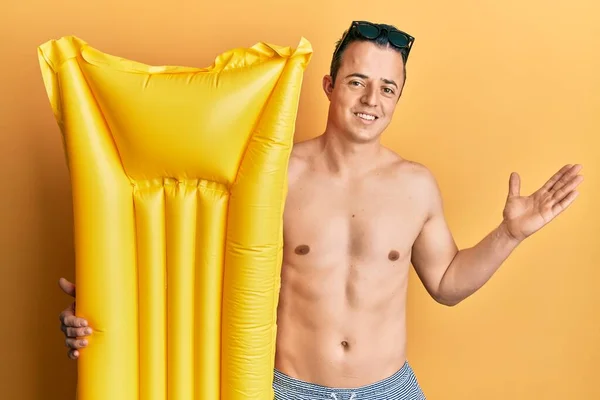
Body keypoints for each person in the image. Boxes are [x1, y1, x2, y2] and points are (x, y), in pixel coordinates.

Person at [57, 20, 583, 400]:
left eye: (387, 88)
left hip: (388, 389)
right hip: (285, 390)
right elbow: (186, 260)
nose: (370, 99)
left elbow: (447, 283)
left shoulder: (416, 185)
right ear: (329, 86)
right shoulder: (271, 176)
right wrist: (109, 303)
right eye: (356, 81)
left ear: (398, 99)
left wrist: (509, 234)